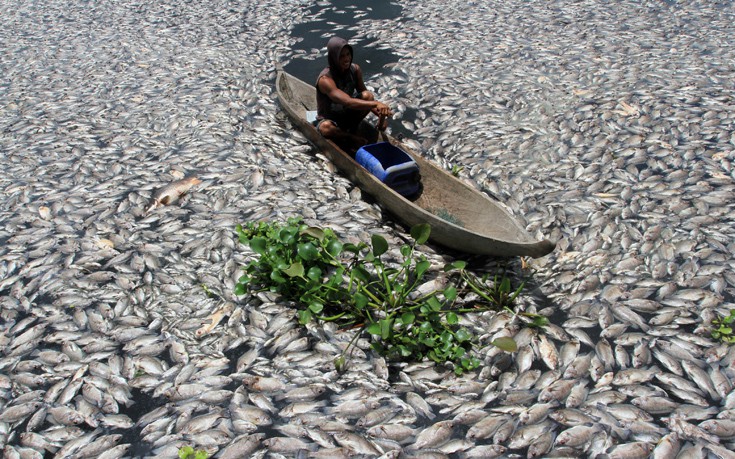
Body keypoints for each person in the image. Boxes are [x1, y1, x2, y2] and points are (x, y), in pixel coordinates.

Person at [315, 36, 393, 152]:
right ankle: (350, 137)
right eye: (341, 56)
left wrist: (380, 114)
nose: (346, 59)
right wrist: (376, 104)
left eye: (348, 54)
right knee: (326, 128)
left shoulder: (355, 70)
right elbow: (348, 101)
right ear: (333, 58)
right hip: (330, 119)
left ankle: (352, 128)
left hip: (347, 115)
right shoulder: (325, 80)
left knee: (368, 96)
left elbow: (366, 97)